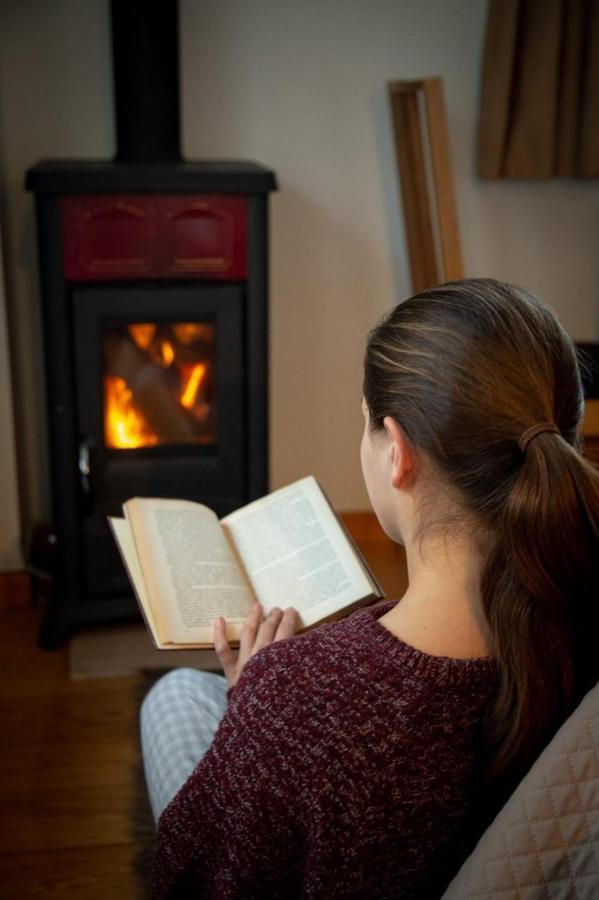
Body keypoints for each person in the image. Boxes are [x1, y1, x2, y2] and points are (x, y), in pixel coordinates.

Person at [140, 278, 599, 899]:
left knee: (173, 696)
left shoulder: (297, 697)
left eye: (366, 425)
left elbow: (191, 879)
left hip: (288, 720)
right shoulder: (577, 613)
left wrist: (253, 710)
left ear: (398, 453)